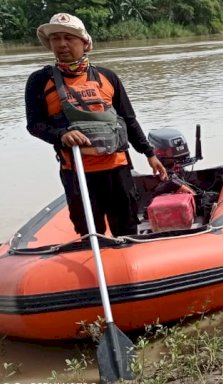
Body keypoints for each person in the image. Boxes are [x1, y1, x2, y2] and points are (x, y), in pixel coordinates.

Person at [25, 13, 167, 237]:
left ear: (84, 42)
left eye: (69, 38)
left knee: (128, 230)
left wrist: (149, 153)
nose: (61, 44)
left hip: (118, 170)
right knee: (90, 232)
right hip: (77, 174)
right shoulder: (39, 81)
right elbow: (34, 125)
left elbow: (128, 119)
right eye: (55, 38)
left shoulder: (107, 76)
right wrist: (62, 134)